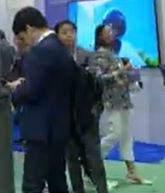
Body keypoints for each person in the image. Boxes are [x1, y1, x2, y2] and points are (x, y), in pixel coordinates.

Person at [7, 7, 75, 193]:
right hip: (58, 127)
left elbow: (33, 90)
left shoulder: (40, 51)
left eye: (23, 36)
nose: (24, 41)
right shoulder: (61, 48)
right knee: (57, 182)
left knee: (32, 185)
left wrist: (14, 92)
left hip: (41, 130)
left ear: (29, 29)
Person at [56, 20, 109, 193]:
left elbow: (98, 83)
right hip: (66, 116)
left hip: (87, 115)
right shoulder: (55, 58)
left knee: (94, 157)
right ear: (57, 36)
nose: (69, 35)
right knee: (72, 159)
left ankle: (102, 189)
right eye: (64, 32)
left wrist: (97, 107)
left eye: (71, 31)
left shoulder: (87, 55)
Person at [90, 24, 145, 185]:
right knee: (115, 134)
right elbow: (98, 79)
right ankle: (90, 166)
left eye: (111, 31)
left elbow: (119, 77)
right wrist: (121, 71)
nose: (111, 34)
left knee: (126, 136)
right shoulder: (98, 56)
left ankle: (132, 172)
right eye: (107, 32)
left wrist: (131, 74)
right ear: (100, 36)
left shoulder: (114, 54)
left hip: (123, 100)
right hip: (110, 101)